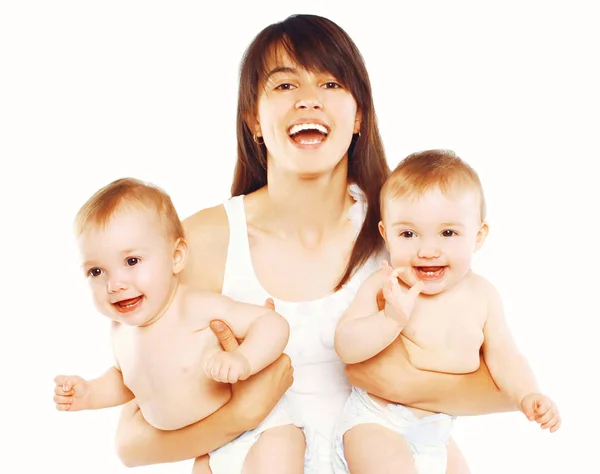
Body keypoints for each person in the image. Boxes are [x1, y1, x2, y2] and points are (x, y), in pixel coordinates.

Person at [113, 14, 515, 474]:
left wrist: (402, 381)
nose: (308, 100)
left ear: (359, 114)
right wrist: (242, 413)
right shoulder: (202, 242)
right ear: (253, 119)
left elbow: (504, 386)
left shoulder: (406, 235)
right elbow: (131, 443)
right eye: (284, 86)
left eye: (330, 84)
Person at [333, 149, 561, 473]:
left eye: (448, 233)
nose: (427, 250)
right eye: (408, 234)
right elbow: (345, 346)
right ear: (386, 234)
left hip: (436, 431)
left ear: (478, 236)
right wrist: (389, 320)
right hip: (376, 421)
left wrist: (527, 395)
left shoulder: (483, 297)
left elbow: (505, 356)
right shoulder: (386, 285)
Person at [52, 178, 298, 473]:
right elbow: (127, 381)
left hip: (265, 430)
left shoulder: (193, 307)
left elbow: (271, 323)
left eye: (132, 261)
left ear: (176, 257)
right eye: (96, 271)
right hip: (206, 445)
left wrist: (243, 359)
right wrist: (90, 393)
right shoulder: (121, 332)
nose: (115, 284)